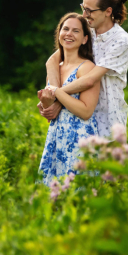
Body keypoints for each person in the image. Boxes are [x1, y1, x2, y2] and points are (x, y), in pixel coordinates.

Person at [38, 0, 128, 139]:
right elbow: (52, 61)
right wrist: (54, 97)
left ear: (108, 11)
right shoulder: (87, 30)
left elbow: (89, 80)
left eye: (89, 10)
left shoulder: (120, 40)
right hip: (76, 113)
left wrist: (56, 95)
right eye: (83, 8)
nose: (84, 14)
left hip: (106, 118)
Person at [38, 13, 100, 184]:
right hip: (56, 138)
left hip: (79, 140)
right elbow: (53, 110)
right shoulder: (55, 68)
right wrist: (45, 104)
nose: (69, 34)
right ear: (59, 34)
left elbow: (86, 111)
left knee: (77, 197)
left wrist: (56, 92)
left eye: (76, 31)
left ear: (85, 39)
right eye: (65, 29)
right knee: (53, 198)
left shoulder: (87, 67)